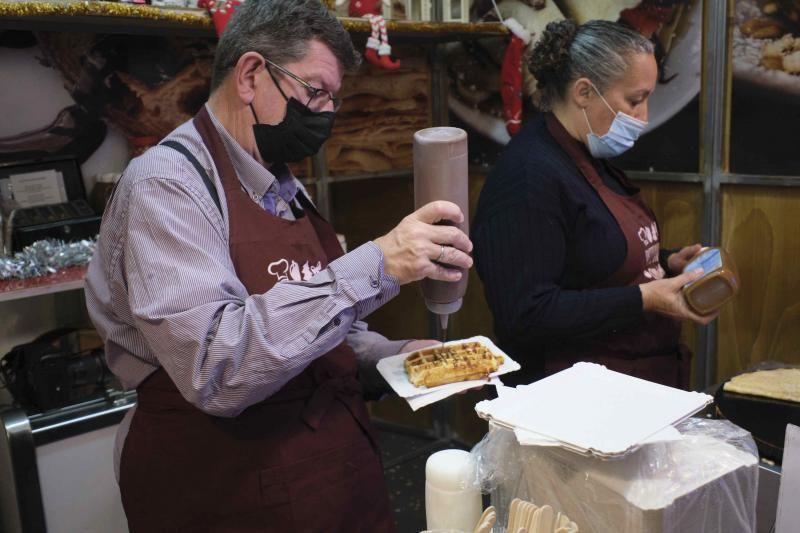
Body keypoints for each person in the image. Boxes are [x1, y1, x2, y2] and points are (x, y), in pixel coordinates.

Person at [84, 1, 472, 531]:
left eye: (333, 98)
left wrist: (392, 357)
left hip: (332, 478)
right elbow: (216, 369)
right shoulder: (169, 187)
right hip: (226, 487)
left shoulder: (278, 183)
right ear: (249, 75)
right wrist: (377, 265)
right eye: (315, 92)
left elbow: (311, 330)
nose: (326, 113)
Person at [472, 19, 714, 390]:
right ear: (584, 92)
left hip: (630, 384)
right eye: (636, 100)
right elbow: (524, 313)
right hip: (569, 398)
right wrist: (644, 298)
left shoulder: (588, 153)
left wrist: (664, 262)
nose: (644, 117)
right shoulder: (527, 177)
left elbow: (588, 258)